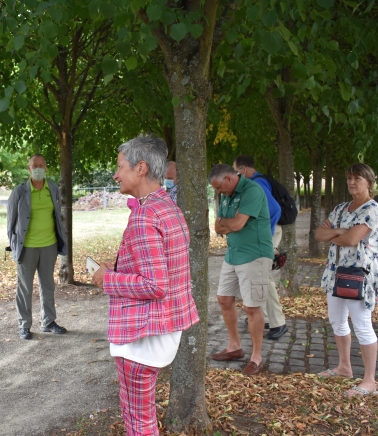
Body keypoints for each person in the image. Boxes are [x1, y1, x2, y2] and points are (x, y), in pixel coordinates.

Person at [92, 136, 199, 435]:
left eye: (119, 166)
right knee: (141, 420)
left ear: (140, 168)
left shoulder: (145, 215)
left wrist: (107, 278)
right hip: (162, 329)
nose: (115, 174)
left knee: (139, 424)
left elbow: (155, 285)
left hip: (143, 337)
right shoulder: (167, 206)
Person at [315, 163, 378, 397]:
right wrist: (342, 232)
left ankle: (370, 381)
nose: (352, 182)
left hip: (358, 274)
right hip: (335, 272)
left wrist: (336, 232)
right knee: (337, 320)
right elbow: (319, 234)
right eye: (349, 178)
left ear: (369, 181)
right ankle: (344, 367)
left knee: (362, 325)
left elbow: (353, 239)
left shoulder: (372, 209)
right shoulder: (342, 208)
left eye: (357, 178)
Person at [209, 164, 273, 376]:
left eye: (219, 187)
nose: (218, 192)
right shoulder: (228, 194)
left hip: (255, 254)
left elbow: (235, 225)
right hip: (233, 253)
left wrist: (229, 222)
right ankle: (234, 346)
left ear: (228, 178)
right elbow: (217, 228)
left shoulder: (252, 190)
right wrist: (229, 222)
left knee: (252, 307)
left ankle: (257, 357)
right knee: (224, 299)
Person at [6, 154, 68, 340]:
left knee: (47, 286)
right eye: (35, 165)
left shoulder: (54, 189)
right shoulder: (19, 192)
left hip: (49, 245)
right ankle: (24, 325)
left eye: (41, 165)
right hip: (27, 248)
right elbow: (11, 223)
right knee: (24, 288)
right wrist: (15, 246)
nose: (38, 168)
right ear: (29, 168)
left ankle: (48, 322)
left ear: (46, 167)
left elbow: (57, 216)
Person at [233, 155, 288, 340]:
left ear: (244, 170)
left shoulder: (257, 185)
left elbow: (275, 210)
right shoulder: (254, 185)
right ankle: (263, 317)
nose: (235, 176)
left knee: (264, 276)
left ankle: (278, 322)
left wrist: (266, 232)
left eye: (236, 172)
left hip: (266, 235)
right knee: (258, 275)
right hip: (261, 235)